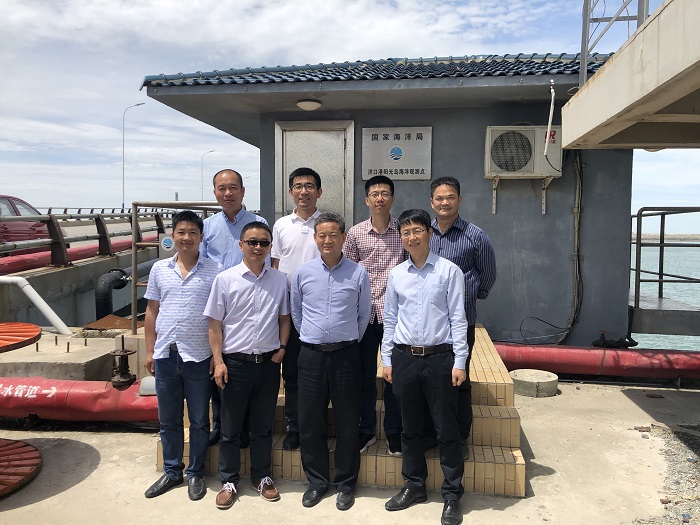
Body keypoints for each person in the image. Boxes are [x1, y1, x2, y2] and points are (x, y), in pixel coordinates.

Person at [382, 208, 468, 525]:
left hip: (440, 358)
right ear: (401, 238)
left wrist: (460, 361)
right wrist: (387, 359)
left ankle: (452, 495)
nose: (412, 237)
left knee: (447, 429)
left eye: (417, 230)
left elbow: (459, 319)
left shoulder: (449, 271)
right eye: (406, 232)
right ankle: (414, 486)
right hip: (405, 359)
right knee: (410, 428)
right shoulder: (397, 275)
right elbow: (390, 319)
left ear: (429, 233)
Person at [204, 221, 290, 509]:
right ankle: (228, 480)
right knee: (230, 428)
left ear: (270, 247)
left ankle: (261, 477)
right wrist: (218, 361)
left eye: (264, 243)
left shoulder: (279, 280)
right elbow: (214, 324)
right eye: (252, 242)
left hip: (267, 364)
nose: (258, 247)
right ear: (241, 245)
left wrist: (282, 348)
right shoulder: (225, 280)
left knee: (263, 426)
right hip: (235, 364)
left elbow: (284, 318)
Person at [291, 212, 371, 511]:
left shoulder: (358, 273)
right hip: (310, 355)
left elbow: (363, 315)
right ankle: (317, 481)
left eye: (333, 235)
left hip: (346, 355)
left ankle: (346, 483)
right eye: (322, 235)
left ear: (343, 237)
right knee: (310, 420)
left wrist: (345, 339)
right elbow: (296, 313)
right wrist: (313, 338)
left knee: (348, 421)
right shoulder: (303, 273)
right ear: (315, 238)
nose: (327, 240)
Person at [143, 210, 222, 501]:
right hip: (166, 355)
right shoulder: (159, 269)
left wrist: (217, 356)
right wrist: (150, 350)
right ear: (173, 235)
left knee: (200, 419)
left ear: (201, 237)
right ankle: (172, 470)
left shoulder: (215, 270)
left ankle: (196, 472)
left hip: (199, 356)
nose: (187, 238)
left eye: (193, 233)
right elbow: (151, 311)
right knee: (169, 419)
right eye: (181, 232)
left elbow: (219, 317)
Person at [429, 176, 496, 461]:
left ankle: (459, 437)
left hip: (461, 323)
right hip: (430, 324)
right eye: (439, 198)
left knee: (459, 380)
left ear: (459, 200)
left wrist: (472, 295)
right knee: (431, 381)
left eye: (450, 197)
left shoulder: (475, 236)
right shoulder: (424, 233)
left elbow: (488, 274)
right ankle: (433, 434)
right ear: (431, 202)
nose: (445, 203)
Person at [202, 168, 267, 447]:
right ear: (215, 193)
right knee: (218, 367)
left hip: (248, 305)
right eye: (222, 188)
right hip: (218, 303)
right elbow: (201, 264)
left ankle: (245, 428)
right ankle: (221, 425)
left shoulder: (258, 223)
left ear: (242, 191)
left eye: (233, 188)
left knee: (245, 369)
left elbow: (266, 262)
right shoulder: (207, 226)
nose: (227, 193)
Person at [343, 175, 406, 456]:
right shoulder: (355, 233)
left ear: (392, 198)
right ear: (367, 200)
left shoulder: (403, 231)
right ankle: (366, 430)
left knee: (395, 376)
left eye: (385, 193)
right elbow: (347, 273)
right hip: (364, 316)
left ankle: (394, 431)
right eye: (374, 194)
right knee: (364, 376)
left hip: (396, 315)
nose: (380, 198)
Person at [270, 167, 322, 451]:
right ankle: (294, 426)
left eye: (309, 186)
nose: (304, 191)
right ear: (291, 192)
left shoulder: (326, 224)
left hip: (318, 310)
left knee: (317, 373)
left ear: (319, 192)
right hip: (288, 310)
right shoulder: (281, 225)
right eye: (298, 186)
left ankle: (314, 425)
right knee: (291, 371)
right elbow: (276, 265)